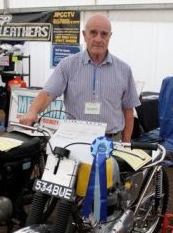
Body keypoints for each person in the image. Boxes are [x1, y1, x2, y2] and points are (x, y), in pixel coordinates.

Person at [20, 13, 140, 142]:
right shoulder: (67, 65)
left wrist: (126, 144)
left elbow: (128, 110)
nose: (98, 39)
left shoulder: (124, 70)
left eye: (104, 34)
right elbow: (48, 94)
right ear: (84, 35)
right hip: (75, 140)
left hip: (111, 141)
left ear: (110, 36)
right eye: (93, 33)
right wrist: (33, 111)